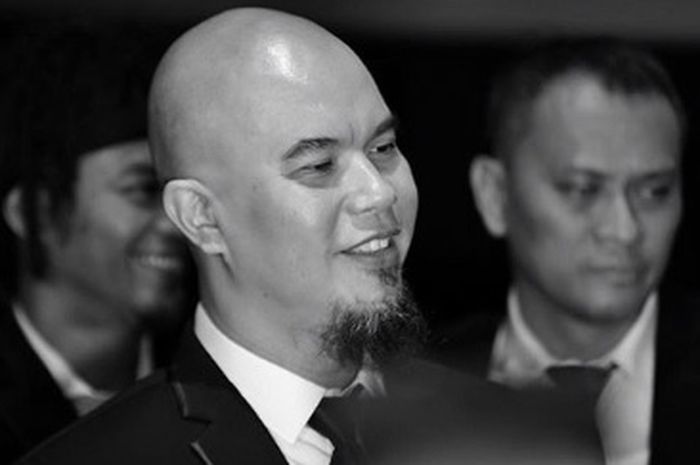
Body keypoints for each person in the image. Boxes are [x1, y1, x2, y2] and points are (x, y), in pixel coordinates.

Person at [17, 9, 603, 465]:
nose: (378, 192)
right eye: (319, 166)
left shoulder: (520, 438)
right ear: (202, 218)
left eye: (383, 148)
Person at [435, 39, 699, 465]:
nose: (624, 229)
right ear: (495, 195)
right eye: (582, 190)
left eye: (655, 192)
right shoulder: (406, 388)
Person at [0, 23, 193, 462]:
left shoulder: (211, 380)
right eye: (143, 190)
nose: (177, 222)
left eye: (181, 194)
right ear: (35, 212)